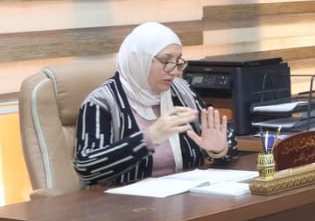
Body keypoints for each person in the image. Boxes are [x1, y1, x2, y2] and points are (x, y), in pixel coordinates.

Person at [73, 22, 237, 187]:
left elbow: (224, 137)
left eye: (177, 61)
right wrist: (148, 139)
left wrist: (219, 150)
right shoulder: (101, 103)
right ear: (140, 60)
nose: (175, 71)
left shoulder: (180, 92)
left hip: (186, 196)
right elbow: (86, 168)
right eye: (166, 61)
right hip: (124, 201)